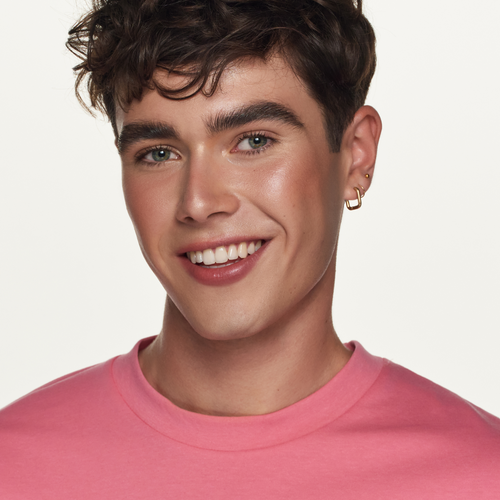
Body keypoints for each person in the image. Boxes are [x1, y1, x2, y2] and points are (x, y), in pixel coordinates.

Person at [1, 0, 499, 497]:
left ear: (356, 155)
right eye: (158, 153)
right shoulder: (14, 463)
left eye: (254, 142)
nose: (198, 203)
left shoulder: (480, 473)